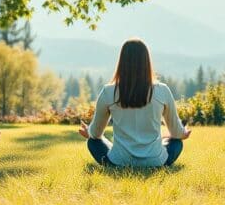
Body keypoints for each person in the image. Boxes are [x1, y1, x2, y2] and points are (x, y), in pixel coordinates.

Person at [78, 38, 190, 167]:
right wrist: (183, 133)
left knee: (93, 142)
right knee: (177, 142)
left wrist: (89, 132)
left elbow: (96, 134)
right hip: (156, 162)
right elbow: (177, 134)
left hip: (118, 162)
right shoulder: (162, 90)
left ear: (122, 62)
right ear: (147, 61)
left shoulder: (108, 91)